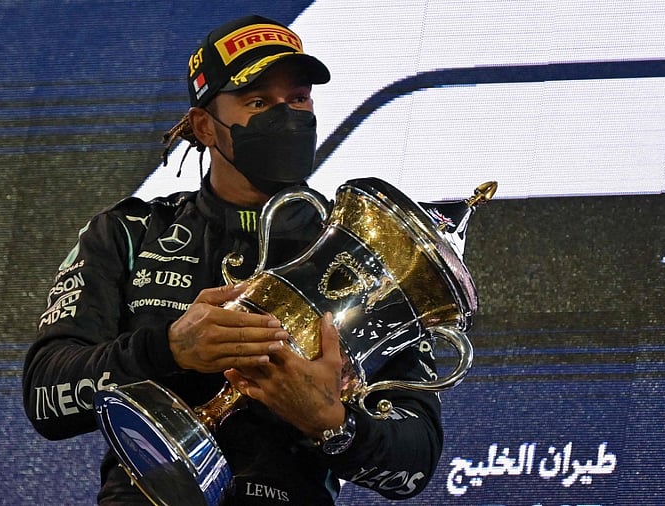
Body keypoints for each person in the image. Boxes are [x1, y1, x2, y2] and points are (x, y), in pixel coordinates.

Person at [22, 14, 442, 505]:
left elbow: (415, 463)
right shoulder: (127, 234)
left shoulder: (367, 257)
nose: (286, 117)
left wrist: (332, 423)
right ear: (204, 125)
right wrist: (169, 350)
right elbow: (45, 396)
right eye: (258, 102)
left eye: (298, 99)